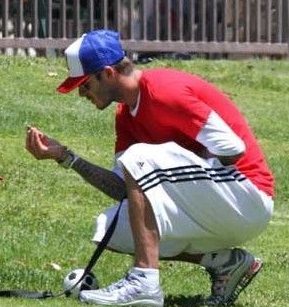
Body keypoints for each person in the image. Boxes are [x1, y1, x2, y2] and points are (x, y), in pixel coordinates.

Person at [25, 29, 274, 307]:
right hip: (214, 203)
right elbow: (124, 189)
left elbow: (233, 149)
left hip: (247, 196)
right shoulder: (125, 116)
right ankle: (226, 262)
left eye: (84, 84)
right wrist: (67, 158)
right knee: (109, 227)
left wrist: (180, 171)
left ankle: (144, 281)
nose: (82, 93)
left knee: (138, 156)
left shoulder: (165, 90)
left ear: (108, 73)